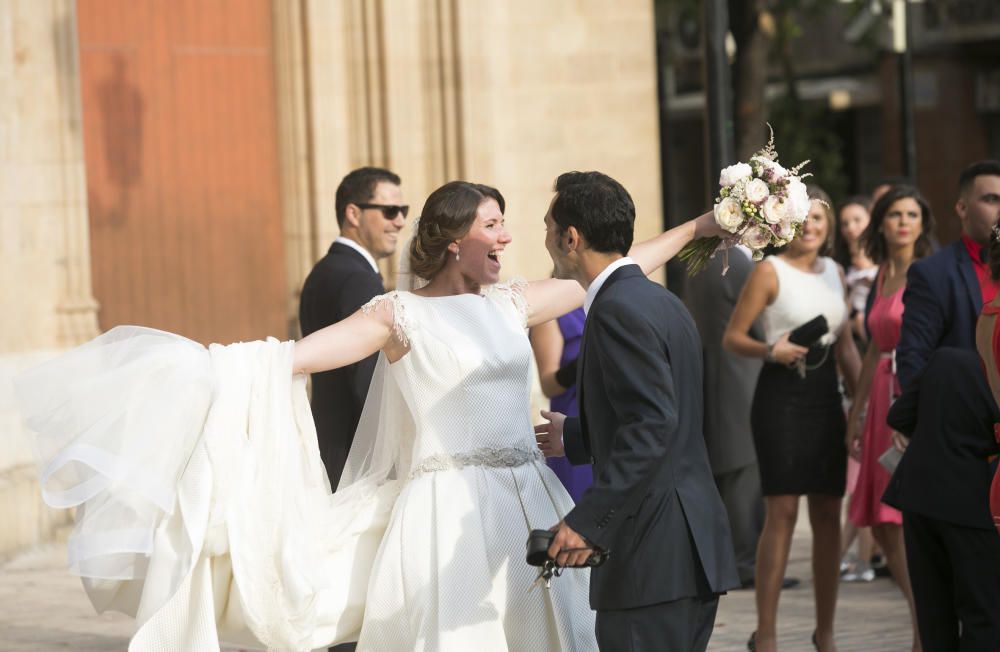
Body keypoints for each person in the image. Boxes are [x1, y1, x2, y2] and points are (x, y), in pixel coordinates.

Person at [17, 179, 724, 651]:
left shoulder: (511, 305)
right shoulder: (396, 315)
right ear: (456, 242)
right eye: (494, 225)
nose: (508, 238)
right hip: (447, 512)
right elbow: (297, 358)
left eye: (510, 224)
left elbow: (624, 263)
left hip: (530, 499)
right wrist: (205, 369)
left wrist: (704, 223)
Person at [534, 172, 739, 652]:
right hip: (686, 552)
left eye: (547, 228)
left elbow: (652, 426)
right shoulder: (660, 300)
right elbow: (667, 412)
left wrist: (586, 522)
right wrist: (580, 436)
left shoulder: (615, 309)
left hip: (653, 557)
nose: (544, 240)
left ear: (571, 237)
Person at [722, 186, 862, 652]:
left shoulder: (836, 273)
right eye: (804, 220)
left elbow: (844, 346)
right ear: (787, 224)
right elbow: (733, 338)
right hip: (780, 394)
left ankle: (826, 632)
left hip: (826, 397)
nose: (812, 228)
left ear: (829, 227)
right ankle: (766, 633)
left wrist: (865, 404)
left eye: (821, 220)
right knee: (781, 511)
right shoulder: (769, 270)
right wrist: (770, 349)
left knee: (827, 512)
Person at [883, 229, 1000, 649]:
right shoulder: (988, 373)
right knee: (984, 617)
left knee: (935, 621)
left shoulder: (943, 363)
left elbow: (899, 415)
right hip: (976, 502)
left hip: (920, 498)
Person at [845, 185, 934, 651]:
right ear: (881, 221)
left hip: (912, 397)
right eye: (895, 214)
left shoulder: (928, 272)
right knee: (880, 523)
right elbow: (876, 345)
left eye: (912, 214)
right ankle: (923, 620)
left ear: (923, 223)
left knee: (904, 517)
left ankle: (926, 631)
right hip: (879, 396)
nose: (903, 222)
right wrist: (856, 414)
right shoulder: (881, 274)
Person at [299, 166, 406, 489]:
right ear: (353, 213)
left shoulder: (326, 270)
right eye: (389, 211)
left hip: (330, 451)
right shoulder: (356, 279)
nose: (399, 221)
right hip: (357, 463)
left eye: (402, 211)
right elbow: (368, 381)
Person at [685, 246, 768, 590]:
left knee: (729, 471)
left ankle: (729, 558)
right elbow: (762, 327)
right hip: (743, 374)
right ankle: (746, 562)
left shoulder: (702, 259)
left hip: (714, 374)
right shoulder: (738, 263)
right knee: (746, 474)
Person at [896, 160, 1000, 389]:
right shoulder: (933, 274)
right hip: (968, 416)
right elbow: (912, 361)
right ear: (962, 208)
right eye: (992, 199)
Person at [529, 307, 592, 500]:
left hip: (606, 428)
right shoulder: (552, 312)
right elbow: (548, 384)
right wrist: (584, 362)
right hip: (571, 424)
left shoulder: (609, 302)